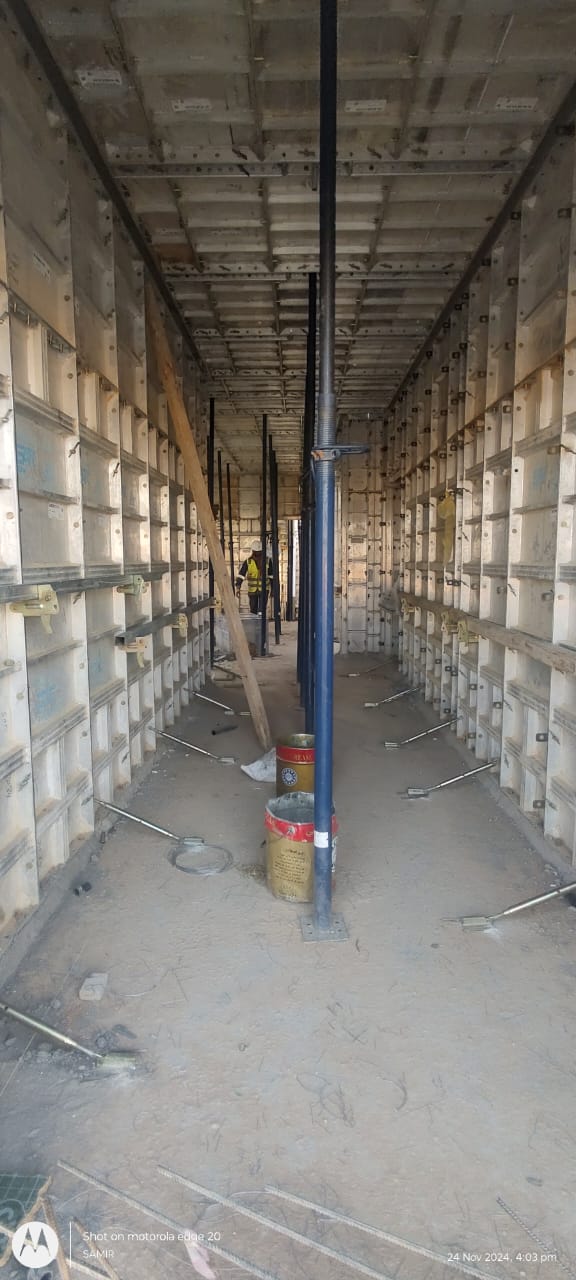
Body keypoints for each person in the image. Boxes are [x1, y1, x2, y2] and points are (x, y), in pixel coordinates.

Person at [236, 541, 272, 615]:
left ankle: (261, 622)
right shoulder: (248, 562)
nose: (257, 554)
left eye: (259, 552)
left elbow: (272, 576)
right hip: (252, 591)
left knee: (261, 611)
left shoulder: (268, 561)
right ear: (253, 551)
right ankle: (255, 621)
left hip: (264, 590)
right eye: (256, 552)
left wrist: (273, 590)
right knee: (253, 610)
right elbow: (241, 575)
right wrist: (238, 587)